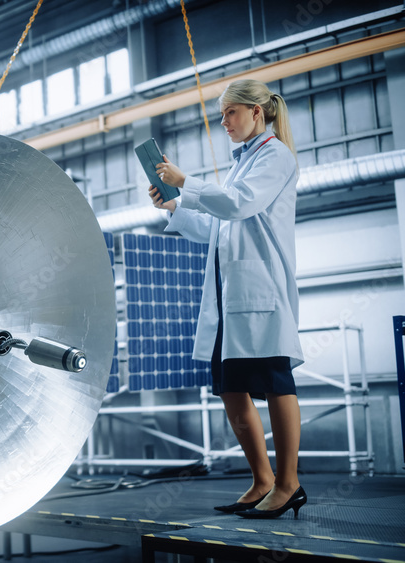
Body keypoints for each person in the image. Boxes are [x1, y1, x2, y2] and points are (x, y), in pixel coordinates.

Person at [148, 79, 306, 519]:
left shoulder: (275, 156)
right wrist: (177, 207)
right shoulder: (242, 163)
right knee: (231, 389)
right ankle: (262, 479)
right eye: (222, 114)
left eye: (230, 113)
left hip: (261, 292)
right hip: (228, 294)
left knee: (276, 383)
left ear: (257, 112)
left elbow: (238, 205)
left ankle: (289, 483)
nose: (224, 122)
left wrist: (187, 182)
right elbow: (218, 227)